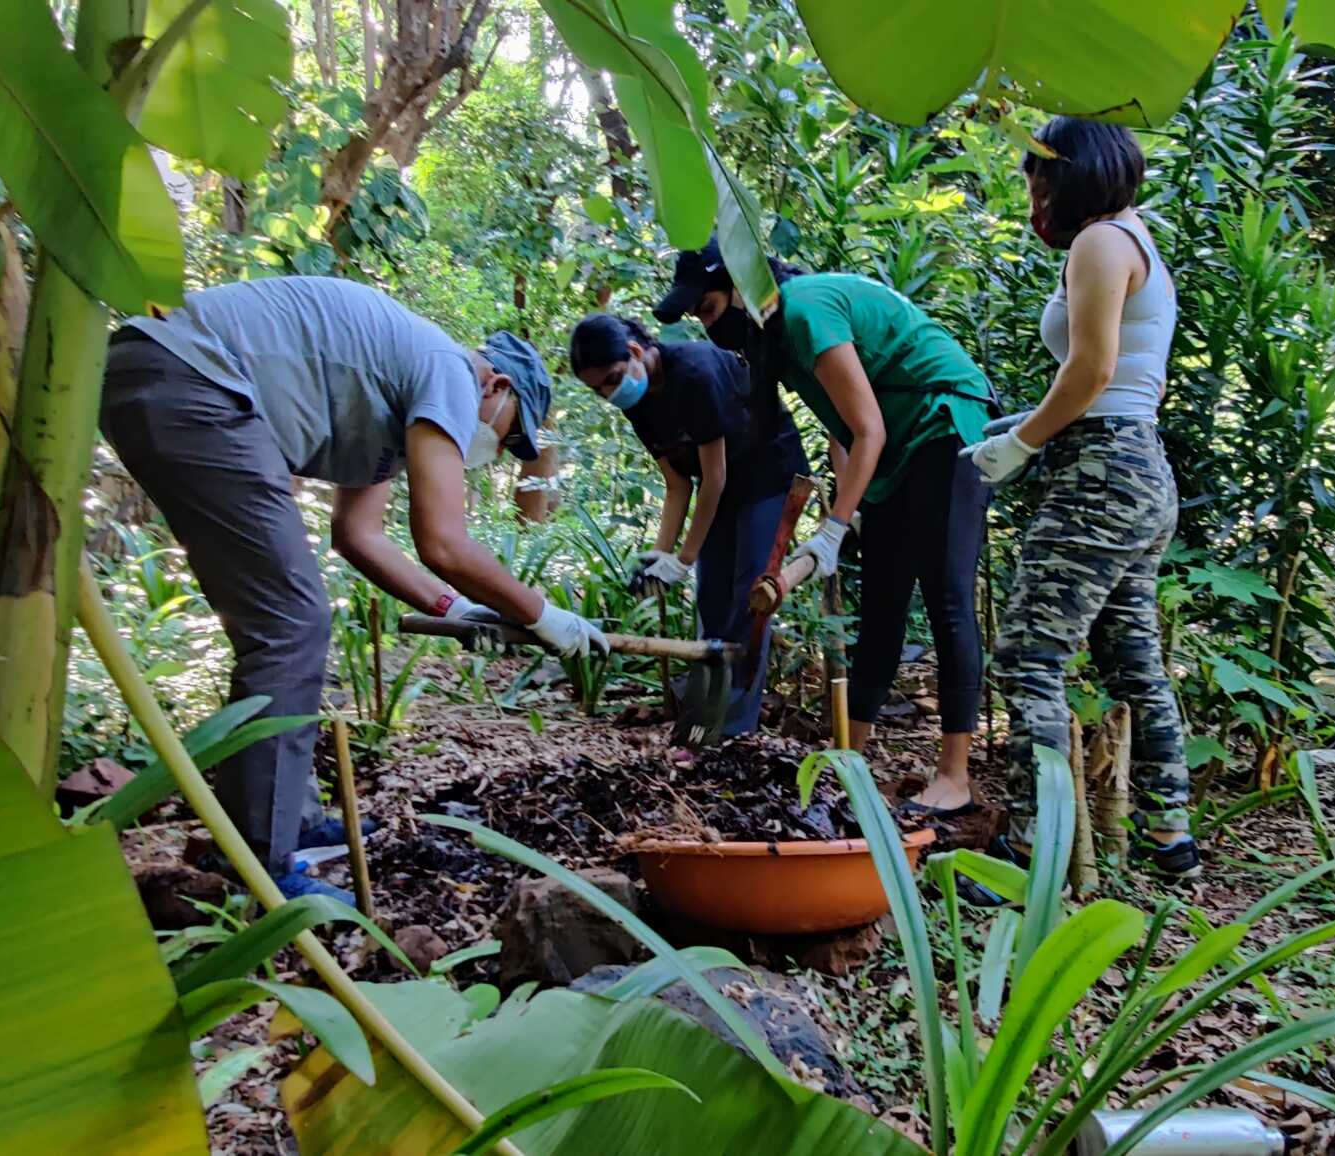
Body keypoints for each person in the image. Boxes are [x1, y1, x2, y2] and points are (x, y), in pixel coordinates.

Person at [103, 276, 609, 903]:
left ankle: (289, 819)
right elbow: (444, 543)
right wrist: (544, 615)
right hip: (193, 376)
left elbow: (358, 534)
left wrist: (456, 609)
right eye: (507, 436)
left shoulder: (397, 413)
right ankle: (260, 862)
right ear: (497, 387)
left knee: (284, 620)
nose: (498, 451)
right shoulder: (451, 371)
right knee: (292, 623)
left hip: (166, 373)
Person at [653, 242, 994, 807]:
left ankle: (954, 777)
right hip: (896, 453)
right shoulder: (777, 344)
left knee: (947, 600)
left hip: (945, 423)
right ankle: (850, 763)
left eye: (709, 309)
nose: (707, 326)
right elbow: (843, 426)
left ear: (740, 289)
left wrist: (834, 528)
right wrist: (850, 507)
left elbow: (868, 430)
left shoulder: (805, 310)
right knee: (882, 609)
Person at [963, 116, 1197, 878]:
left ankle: (1036, 844)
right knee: (1134, 664)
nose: (1031, 197)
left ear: (1065, 176)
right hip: (1134, 468)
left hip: (1103, 474)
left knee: (1028, 652)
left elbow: (1094, 371)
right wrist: (1022, 427)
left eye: (1036, 179)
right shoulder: (1135, 239)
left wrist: (1023, 444)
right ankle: (1171, 840)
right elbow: (1121, 385)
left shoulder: (1099, 242)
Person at [567, 313, 811, 739]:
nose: (608, 393)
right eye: (597, 389)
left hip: (770, 474)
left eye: (611, 379)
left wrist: (683, 557)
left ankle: (734, 729)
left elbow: (711, 477)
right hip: (724, 486)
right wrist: (661, 555)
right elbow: (677, 482)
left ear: (636, 353)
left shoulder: (695, 371)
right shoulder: (636, 401)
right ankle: (703, 719)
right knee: (710, 599)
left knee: (748, 595)